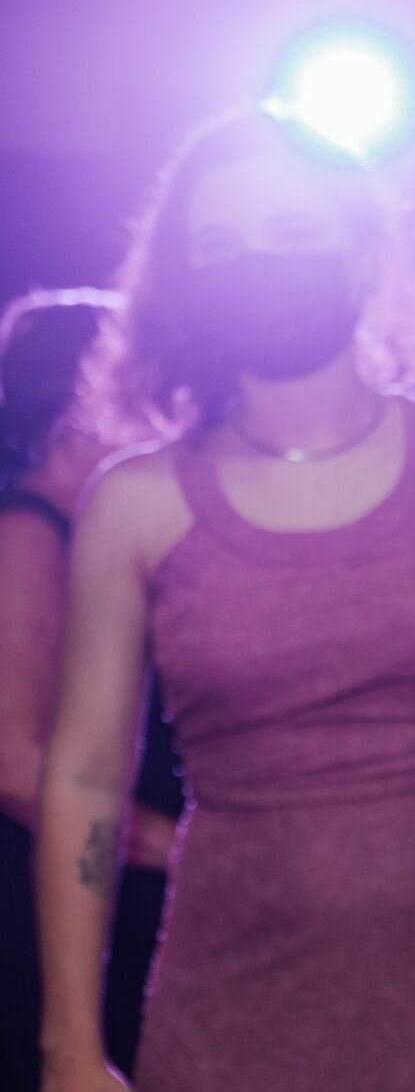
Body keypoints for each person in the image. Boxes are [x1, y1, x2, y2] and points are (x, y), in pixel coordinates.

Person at [35, 106, 415, 1092]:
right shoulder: (134, 504)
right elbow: (82, 774)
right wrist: (68, 1039)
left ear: (364, 253)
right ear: (184, 282)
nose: (258, 265)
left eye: (290, 233)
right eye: (221, 245)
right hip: (234, 984)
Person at [0, 290, 182, 1090]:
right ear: (86, 391)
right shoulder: (28, 535)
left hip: (106, 886)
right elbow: (15, 763)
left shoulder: (92, 537)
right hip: (42, 905)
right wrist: (192, 854)